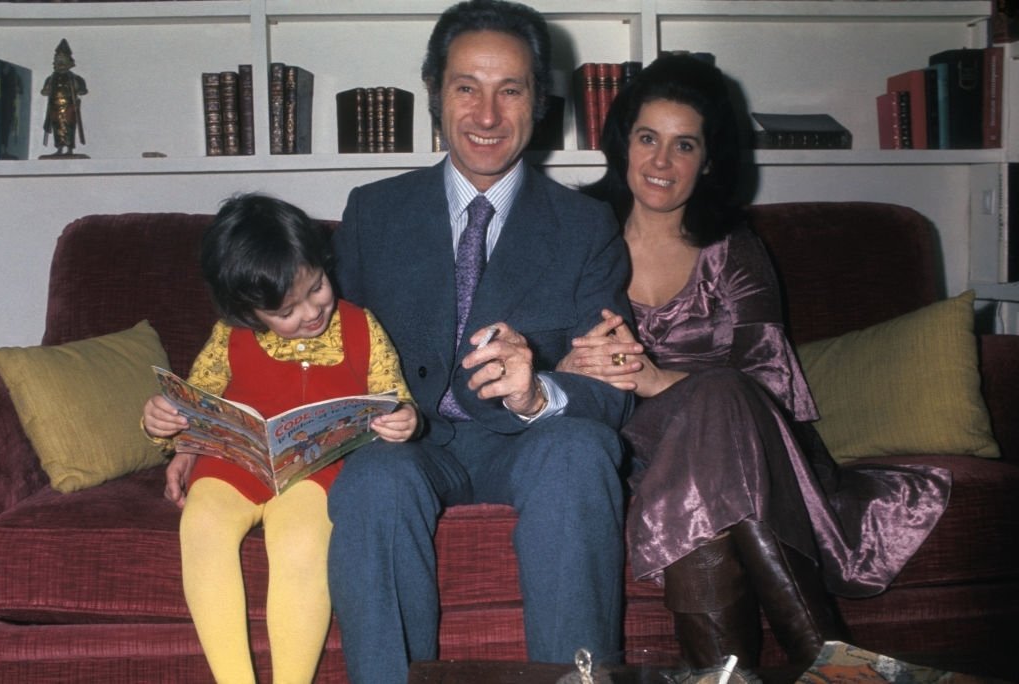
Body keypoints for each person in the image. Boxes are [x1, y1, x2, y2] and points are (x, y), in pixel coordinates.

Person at [558, 53, 952, 672]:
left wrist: (662, 379)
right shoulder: (576, 236)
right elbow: (541, 355)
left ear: (708, 160)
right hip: (630, 449)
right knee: (709, 436)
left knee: (719, 406)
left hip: (751, 439)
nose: (661, 162)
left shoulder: (731, 248)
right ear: (621, 144)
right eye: (646, 138)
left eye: (683, 145)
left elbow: (768, 380)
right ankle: (834, 662)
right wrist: (572, 364)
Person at [323, 1, 632, 681]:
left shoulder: (587, 227)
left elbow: (614, 393)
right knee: (372, 478)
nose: (487, 116)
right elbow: (317, 353)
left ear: (541, 102)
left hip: (530, 448)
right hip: (408, 448)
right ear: (435, 94)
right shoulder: (374, 214)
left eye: (510, 90)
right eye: (467, 88)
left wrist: (538, 392)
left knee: (583, 448)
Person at [146, 193, 419, 683]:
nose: (310, 312)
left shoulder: (362, 326)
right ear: (249, 314)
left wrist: (403, 421)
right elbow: (194, 404)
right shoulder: (228, 337)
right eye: (285, 311)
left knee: (302, 540)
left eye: (316, 288)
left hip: (316, 473)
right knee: (202, 525)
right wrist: (169, 428)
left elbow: (395, 397)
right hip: (235, 465)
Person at [41, 38, 87, 156]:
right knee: (57, 126)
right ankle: (59, 148)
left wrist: (77, 88)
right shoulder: (51, 79)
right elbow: (45, 91)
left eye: (63, 60)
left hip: (68, 106)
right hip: (55, 106)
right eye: (58, 60)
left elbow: (82, 90)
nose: (60, 63)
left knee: (69, 126)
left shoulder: (74, 78)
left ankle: (69, 148)